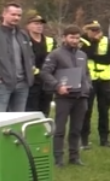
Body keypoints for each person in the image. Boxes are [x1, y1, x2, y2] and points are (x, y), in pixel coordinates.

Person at [38, 25, 93, 167]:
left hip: (81, 97)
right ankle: (58, 158)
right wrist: (57, 86)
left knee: (76, 129)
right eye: (72, 37)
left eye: (77, 37)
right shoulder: (56, 54)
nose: (75, 40)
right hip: (64, 97)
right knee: (60, 129)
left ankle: (74, 157)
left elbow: (86, 73)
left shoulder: (82, 55)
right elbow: (45, 73)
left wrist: (87, 85)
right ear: (64, 38)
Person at [79, 21, 110, 149]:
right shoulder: (82, 41)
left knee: (104, 110)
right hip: (89, 80)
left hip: (105, 79)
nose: (96, 33)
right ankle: (83, 139)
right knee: (86, 110)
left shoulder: (105, 40)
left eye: (98, 30)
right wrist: (94, 44)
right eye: (93, 30)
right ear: (86, 30)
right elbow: (86, 54)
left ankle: (104, 138)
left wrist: (95, 57)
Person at [25, 12, 56, 118]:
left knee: (45, 109)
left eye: (41, 24)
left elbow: (54, 59)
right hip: (31, 81)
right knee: (31, 110)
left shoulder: (50, 41)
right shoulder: (23, 41)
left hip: (46, 81)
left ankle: (43, 132)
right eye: (36, 23)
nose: (39, 26)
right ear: (28, 25)